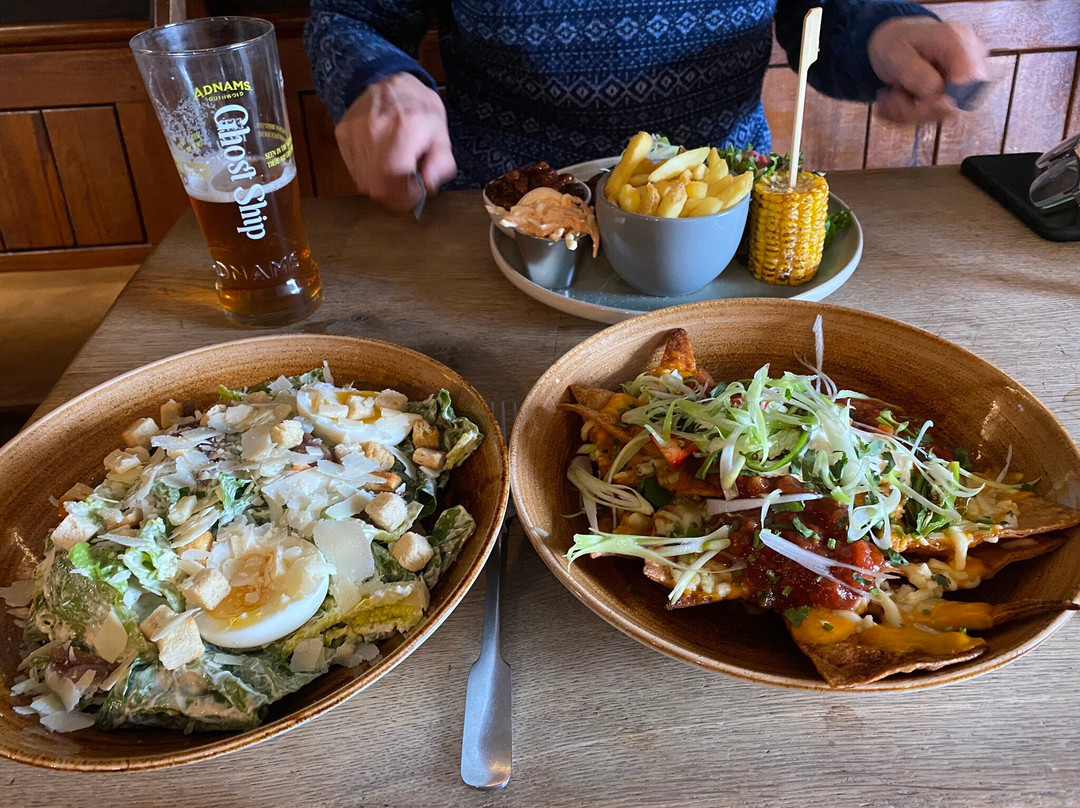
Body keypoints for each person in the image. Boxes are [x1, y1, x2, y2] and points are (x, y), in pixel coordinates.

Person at [305, 0, 987, 211]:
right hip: (511, 213)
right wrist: (379, 76)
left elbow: (825, 12)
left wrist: (883, 34)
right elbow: (352, 15)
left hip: (719, 207)